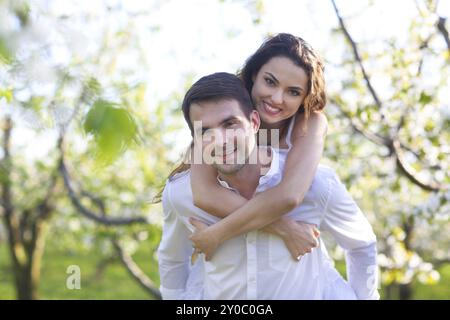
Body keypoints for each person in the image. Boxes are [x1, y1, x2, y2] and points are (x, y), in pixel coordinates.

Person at [158, 72, 379, 299]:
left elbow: (362, 246)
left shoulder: (316, 185)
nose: (220, 141)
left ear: (254, 122)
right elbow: (172, 261)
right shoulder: (181, 194)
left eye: (230, 124)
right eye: (205, 131)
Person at [188, 33, 328, 260]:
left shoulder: (310, 123)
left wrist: (217, 234)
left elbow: (290, 195)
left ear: (304, 97)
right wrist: (285, 229)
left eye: (293, 92)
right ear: (255, 74)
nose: (276, 98)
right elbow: (204, 193)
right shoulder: (225, 106)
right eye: (270, 82)